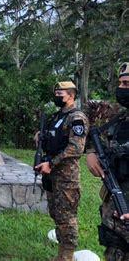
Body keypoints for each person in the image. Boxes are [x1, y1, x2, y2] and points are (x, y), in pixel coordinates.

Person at [35, 81, 88, 260]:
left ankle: (67, 254)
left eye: (60, 93)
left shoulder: (77, 118)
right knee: (55, 213)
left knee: (67, 217)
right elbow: (53, 140)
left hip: (66, 177)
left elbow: (76, 148)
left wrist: (51, 163)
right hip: (52, 176)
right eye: (56, 92)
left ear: (71, 95)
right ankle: (62, 251)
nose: (57, 96)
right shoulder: (57, 117)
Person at [86, 62, 129, 261]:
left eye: (127, 84)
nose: (122, 88)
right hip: (115, 216)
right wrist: (92, 153)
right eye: (121, 83)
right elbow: (100, 139)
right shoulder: (120, 120)